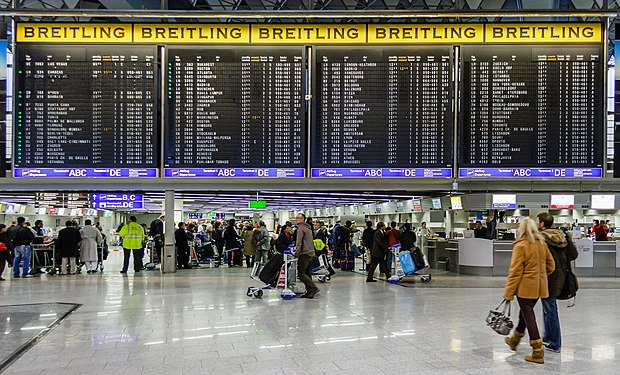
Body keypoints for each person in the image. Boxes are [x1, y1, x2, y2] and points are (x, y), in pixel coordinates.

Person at [504, 218, 555, 364]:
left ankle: (537, 351)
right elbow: (551, 266)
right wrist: (540, 276)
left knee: (529, 316)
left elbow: (515, 272)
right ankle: (514, 340)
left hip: (525, 287)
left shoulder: (521, 245)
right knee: (525, 313)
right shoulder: (542, 244)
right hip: (540, 286)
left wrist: (509, 292)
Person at [537, 213, 579, 353]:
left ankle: (555, 343)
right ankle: (548, 338)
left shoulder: (542, 238)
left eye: (538, 221)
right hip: (561, 277)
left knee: (551, 311)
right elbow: (574, 255)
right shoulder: (562, 236)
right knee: (548, 310)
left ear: (542, 224)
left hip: (549, 278)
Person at [295, 213, 319, 299]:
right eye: (296, 218)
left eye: (298, 218)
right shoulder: (308, 227)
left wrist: (296, 253)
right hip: (311, 252)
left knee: (301, 273)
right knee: (307, 273)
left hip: (305, 253)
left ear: (303, 220)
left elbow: (299, 242)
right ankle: (309, 292)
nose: (296, 219)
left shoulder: (301, 228)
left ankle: (313, 288)